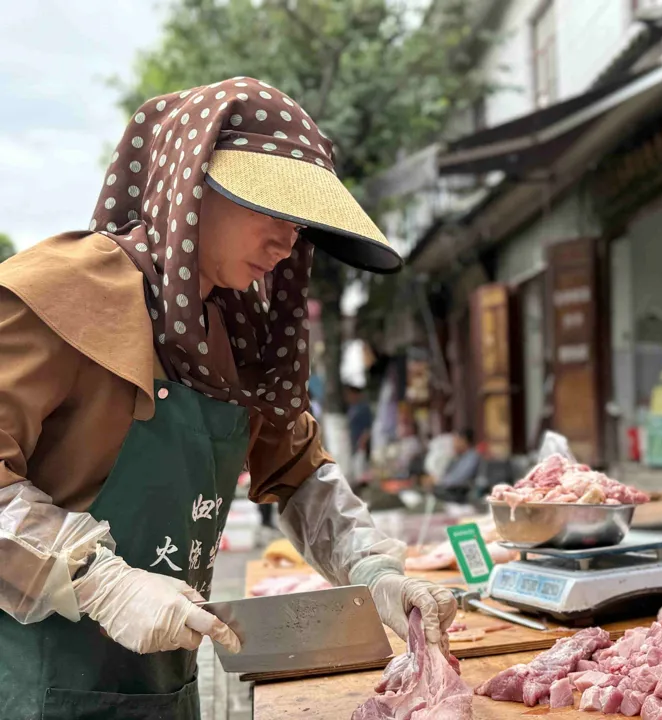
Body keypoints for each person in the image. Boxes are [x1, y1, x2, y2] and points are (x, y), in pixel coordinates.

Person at [0, 78, 457, 718]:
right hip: (31, 688)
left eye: (299, 222)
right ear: (189, 188)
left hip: (166, 689)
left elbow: (299, 474)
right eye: (268, 208)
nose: (287, 241)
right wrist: (95, 580)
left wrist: (372, 570)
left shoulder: (239, 331)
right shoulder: (59, 296)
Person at [433, 429, 482, 504]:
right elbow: (446, 473)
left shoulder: (472, 457)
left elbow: (460, 478)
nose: (454, 444)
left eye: (456, 441)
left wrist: (439, 481)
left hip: (460, 493)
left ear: (464, 441)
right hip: (450, 489)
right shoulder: (459, 456)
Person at [345, 384, 374, 483]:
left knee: (360, 471)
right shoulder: (352, 407)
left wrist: (362, 442)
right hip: (352, 443)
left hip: (360, 444)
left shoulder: (364, 408)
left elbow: (368, 428)